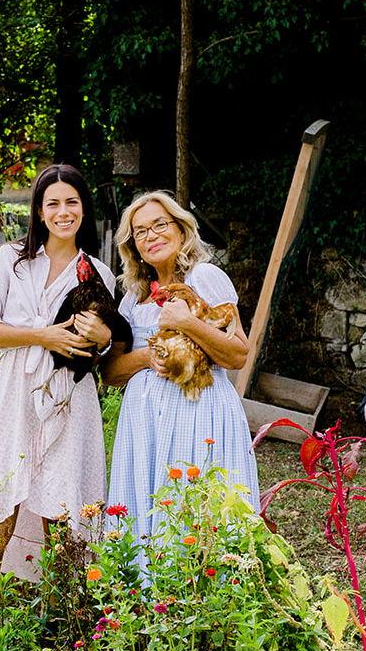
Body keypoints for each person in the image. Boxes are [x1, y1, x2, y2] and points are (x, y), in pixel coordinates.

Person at [0, 164, 121, 613]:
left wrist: (101, 338)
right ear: (37, 210)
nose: (63, 211)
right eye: (52, 202)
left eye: (72, 201)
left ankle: (62, 627)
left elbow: (104, 348)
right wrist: (43, 335)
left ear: (84, 209)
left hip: (70, 397)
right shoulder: (10, 261)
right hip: (16, 392)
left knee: (64, 512)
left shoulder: (98, 275)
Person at [103, 190, 260, 550]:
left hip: (198, 412)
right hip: (144, 422)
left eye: (160, 225)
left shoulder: (205, 277)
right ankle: (151, 600)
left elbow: (238, 355)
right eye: (140, 232)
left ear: (180, 228)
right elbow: (111, 373)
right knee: (150, 507)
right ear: (134, 247)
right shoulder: (133, 297)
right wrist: (147, 358)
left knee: (197, 507)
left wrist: (187, 323)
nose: (151, 236)